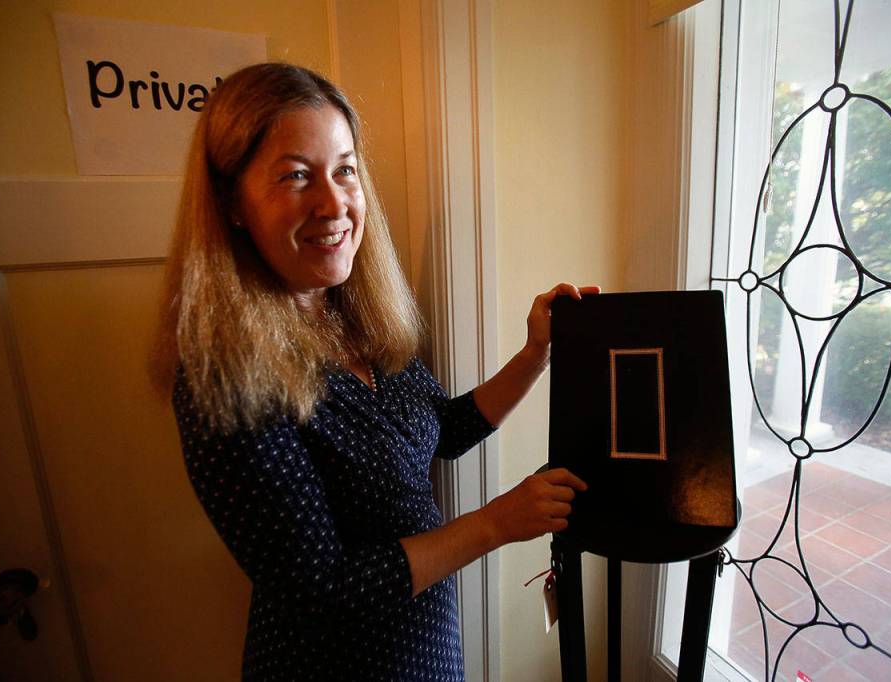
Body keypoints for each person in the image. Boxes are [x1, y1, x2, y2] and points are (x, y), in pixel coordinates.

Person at [153, 62, 596, 681]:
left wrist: (533, 356)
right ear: (231, 203)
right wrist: (496, 523)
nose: (333, 202)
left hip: (424, 642)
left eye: (345, 171)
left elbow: (443, 429)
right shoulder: (221, 378)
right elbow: (322, 594)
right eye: (296, 176)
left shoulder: (356, 317)